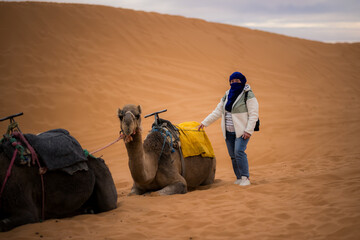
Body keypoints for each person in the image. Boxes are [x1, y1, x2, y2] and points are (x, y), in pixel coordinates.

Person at [198, 71, 259, 186]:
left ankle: (246, 178)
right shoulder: (227, 95)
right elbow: (217, 112)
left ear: (242, 81)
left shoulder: (248, 95)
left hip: (242, 131)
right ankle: (239, 177)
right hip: (228, 131)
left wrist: (248, 130)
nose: (234, 83)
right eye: (231, 81)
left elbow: (254, 114)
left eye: (236, 81)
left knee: (239, 152)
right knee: (233, 155)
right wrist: (204, 123)